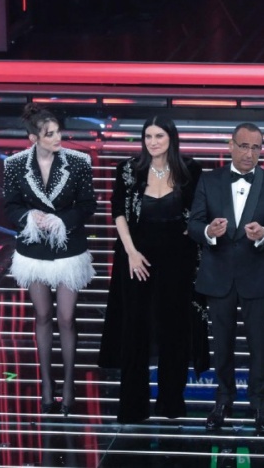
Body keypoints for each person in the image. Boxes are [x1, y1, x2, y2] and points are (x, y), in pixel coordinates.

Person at [97, 116, 203, 423]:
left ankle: (171, 402)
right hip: (136, 258)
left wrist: (189, 234)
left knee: (174, 330)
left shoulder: (190, 170)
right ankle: (133, 406)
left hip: (178, 261)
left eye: (159, 136)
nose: (153, 142)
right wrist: (131, 251)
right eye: (148, 136)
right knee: (135, 330)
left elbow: (199, 211)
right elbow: (118, 211)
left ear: (171, 137)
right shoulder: (128, 170)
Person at [188, 122, 264, 433]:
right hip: (217, 276)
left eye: (256, 147)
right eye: (244, 146)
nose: (249, 153)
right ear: (230, 145)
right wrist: (208, 232)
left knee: (260, 345)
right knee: (222, 344)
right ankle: (223, 400)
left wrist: (262, 235)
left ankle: (260, 404)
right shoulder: (208, 180)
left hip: (256, 275)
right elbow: (194, 224)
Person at [3, 105, 98, 415]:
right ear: (33, 138)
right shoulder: (15, 165)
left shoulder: (79, 162)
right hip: (34, 251)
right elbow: (10, 206)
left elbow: (87, 204)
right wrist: (29, 217)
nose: (58, 138)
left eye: (58, 132)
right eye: (50, 134)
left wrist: (61, 220)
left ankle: (69, 382)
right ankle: (47, 382)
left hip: (69, 249)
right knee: (43, 315)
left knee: (67, 317)